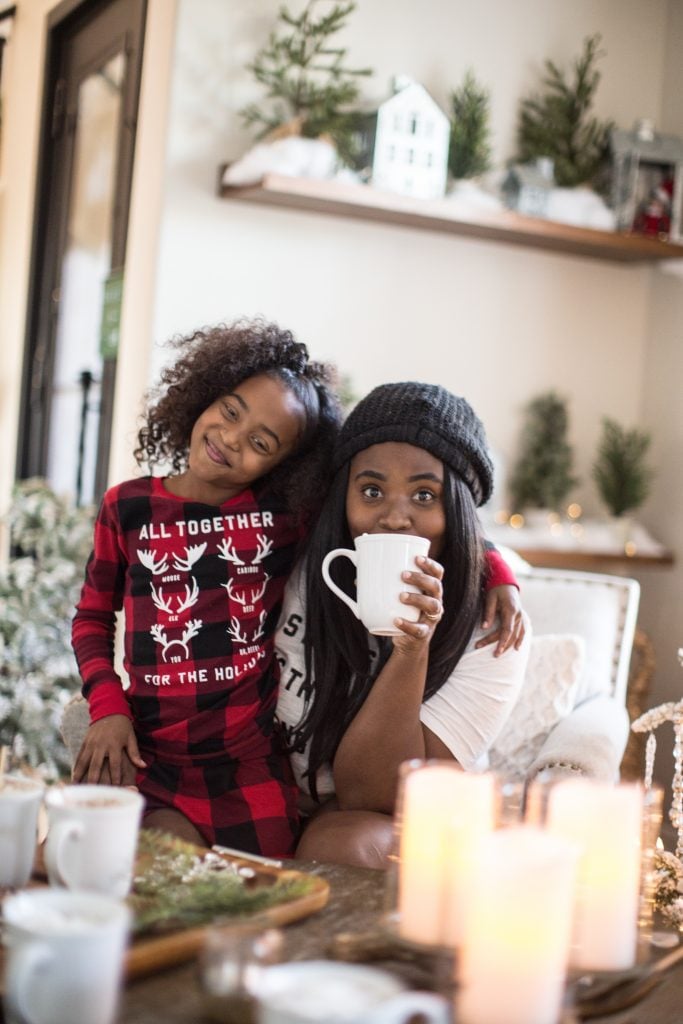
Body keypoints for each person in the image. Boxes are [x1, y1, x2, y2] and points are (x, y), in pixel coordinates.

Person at [71, 319, 342, 858]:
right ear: (205, 394)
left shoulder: (283, 519)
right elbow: (91, 619)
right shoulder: (126, 507)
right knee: (108, 879)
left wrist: (493, 568)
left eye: (260, 442)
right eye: (230, 410)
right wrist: (108, 706)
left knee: (257, 907)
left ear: (287, 467)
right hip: (147, 756)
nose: (230, 438)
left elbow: (377, 517)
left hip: (246, 766)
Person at [275, 382, 531, 867]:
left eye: (424, 494)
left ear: (455, 510)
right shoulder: (303, 564)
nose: (395, 517)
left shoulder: (493, 628)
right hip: (276, 797)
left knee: (338, 844)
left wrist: (412, 650)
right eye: (371, 490)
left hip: (400, 813)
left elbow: (378, 793)